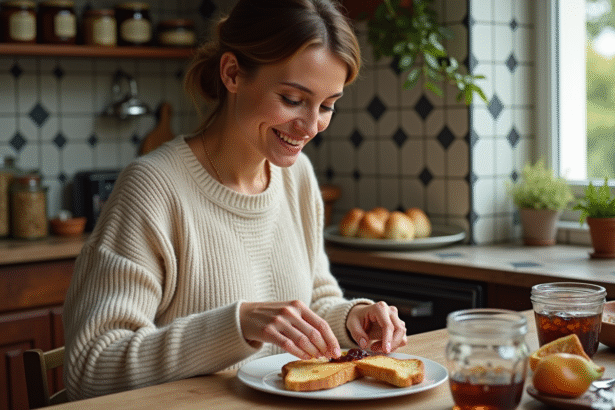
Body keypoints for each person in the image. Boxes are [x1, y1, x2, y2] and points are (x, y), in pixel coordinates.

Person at [62, 0, 407, 400]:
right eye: (293, 99)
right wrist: (237, 325)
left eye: (328, 105)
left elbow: (312, 301)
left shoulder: (298, 177)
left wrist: (352, 317)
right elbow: (90, 368)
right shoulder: (153, 189)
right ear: (232, 74)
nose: (311, 126)